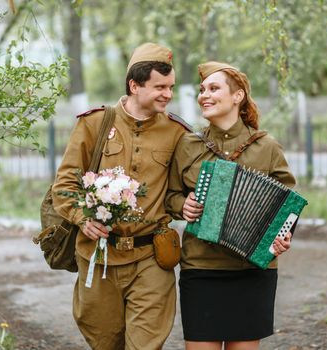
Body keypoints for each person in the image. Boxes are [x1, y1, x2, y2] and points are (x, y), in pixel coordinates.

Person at [51, 43, 190, 350]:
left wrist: (186, 206)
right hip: (98, 258)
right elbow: (64, 185)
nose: (168, 94)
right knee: (105, 342)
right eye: (160, 87)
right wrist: (82, 218)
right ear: (134, 85)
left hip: (151, 259)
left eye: (171, 87)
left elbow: (182, 194)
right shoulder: (94, 123)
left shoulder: (178, 132)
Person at [165, 61, 296, 350]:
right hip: (201, 269)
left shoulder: (266, 146)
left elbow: (288, 201)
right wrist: (182, 205)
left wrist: (283, 235)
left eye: (214, 88)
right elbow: (170, 195)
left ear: (238, 96)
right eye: (201, 90)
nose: (204, 95)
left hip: (252, 271)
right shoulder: (188, 144)